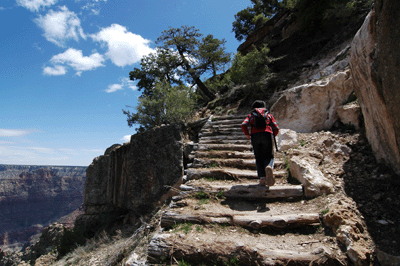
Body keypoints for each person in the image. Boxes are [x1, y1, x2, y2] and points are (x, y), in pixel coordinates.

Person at [241, 100, 279, 186]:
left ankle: (262, 178)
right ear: (264, 106)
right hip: (267, 135)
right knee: (269, 155)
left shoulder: (251, 115)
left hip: (255, 136)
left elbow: (243, 124)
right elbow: (276, 127)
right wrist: (273, 135)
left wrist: (247, 135)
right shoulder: (268, 115)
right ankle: (269, 167)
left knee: (258, 157)